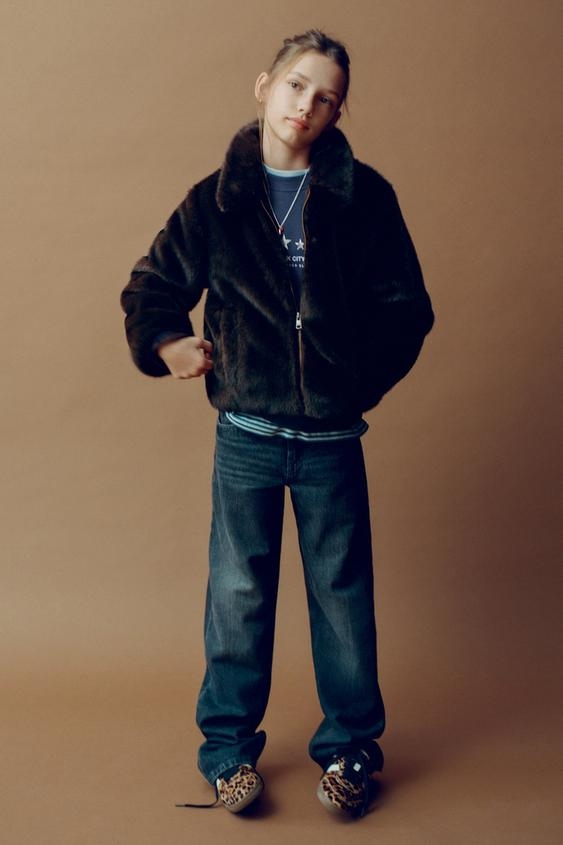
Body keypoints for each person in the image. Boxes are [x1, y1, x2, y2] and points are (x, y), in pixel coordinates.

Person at [120, 29, 434, 819]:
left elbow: (406, 309)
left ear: (336, 112)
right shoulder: (214, 201)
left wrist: (349, 384)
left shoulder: (364, 198)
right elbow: (151, 286)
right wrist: (167, 343)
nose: (306, 106)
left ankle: (351, 749)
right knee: (237, 594)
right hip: (247, 437)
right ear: (264, 86)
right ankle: (227, 750)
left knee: (342, 597)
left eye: (326, 97)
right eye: (296, 86)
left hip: (330, 441)